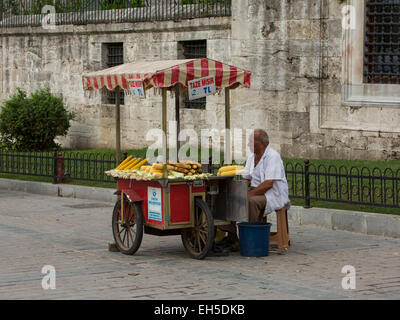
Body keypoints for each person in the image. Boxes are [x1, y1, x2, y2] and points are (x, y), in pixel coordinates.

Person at [212, 129, 290, 254]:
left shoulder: (273, 156)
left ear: (261, 143)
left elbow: (269, 183)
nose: (248, 144)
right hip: (257, 190)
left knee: (250, 201)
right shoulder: (251, 157)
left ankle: (251, 236)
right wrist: (239, 191)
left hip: (273, 193)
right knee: (230, 197)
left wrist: (249, 194)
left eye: (250, 141)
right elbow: (246, 178)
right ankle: (232, 236)